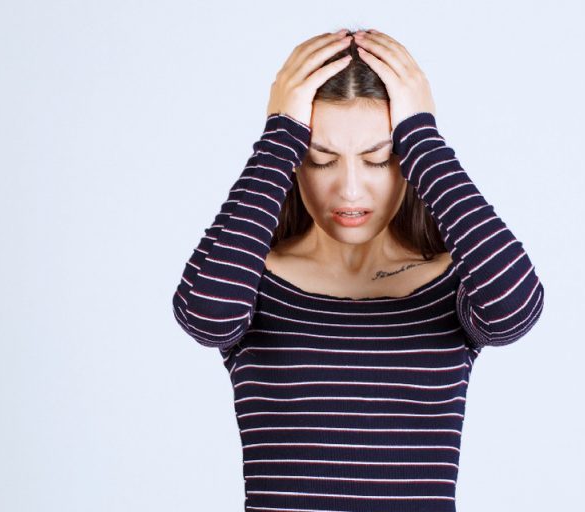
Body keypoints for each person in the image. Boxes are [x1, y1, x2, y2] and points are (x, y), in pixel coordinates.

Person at [172, 27, 544, 511]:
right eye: (321, 160)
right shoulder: (253, 278)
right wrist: (280, 135)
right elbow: (204, 317)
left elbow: (516, 311)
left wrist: (424, 138)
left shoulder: (452, 281)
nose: (349, 191)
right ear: (295, 161)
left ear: (407, 160)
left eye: (378, 159)